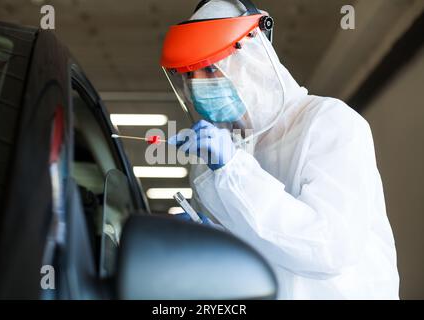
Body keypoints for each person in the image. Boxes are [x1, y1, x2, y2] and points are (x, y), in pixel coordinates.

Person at [160, 0, 399, 299]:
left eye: (210, 68)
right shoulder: (217, 155)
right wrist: (210, 240)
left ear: (254, 55)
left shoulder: (328, 123)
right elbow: (255, 255)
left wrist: (234, 172)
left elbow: (329, 248)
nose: (197, 86)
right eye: (188, 75)